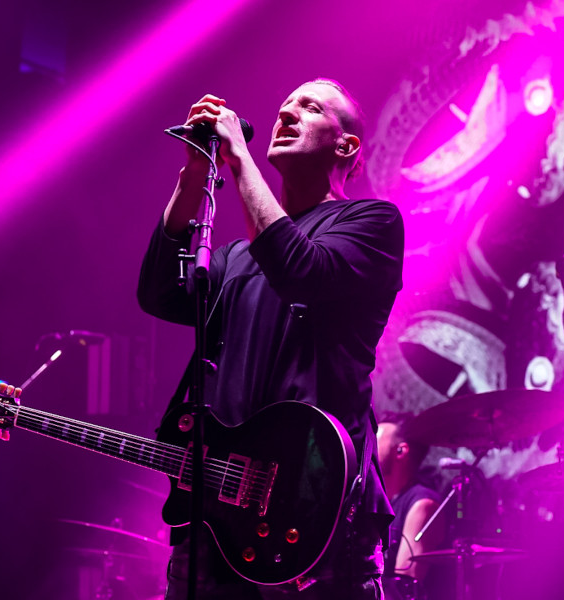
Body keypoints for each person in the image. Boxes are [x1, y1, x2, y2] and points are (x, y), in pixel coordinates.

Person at [137, 79, 404, 599]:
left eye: (309, 107)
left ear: (346, 146)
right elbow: (159, 294)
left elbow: (301, 270)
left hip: (316, 513)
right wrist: (193, 177)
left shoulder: (371, 222)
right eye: (284, 106)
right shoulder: (236, 256)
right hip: (219, 516)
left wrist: (239, 158)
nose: (287, 113)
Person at [376, 412, 446, 600]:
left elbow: (401, 591)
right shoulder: (382, 501)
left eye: (375, 441)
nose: (367, 449)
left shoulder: (423, 505)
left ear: (401, 451)